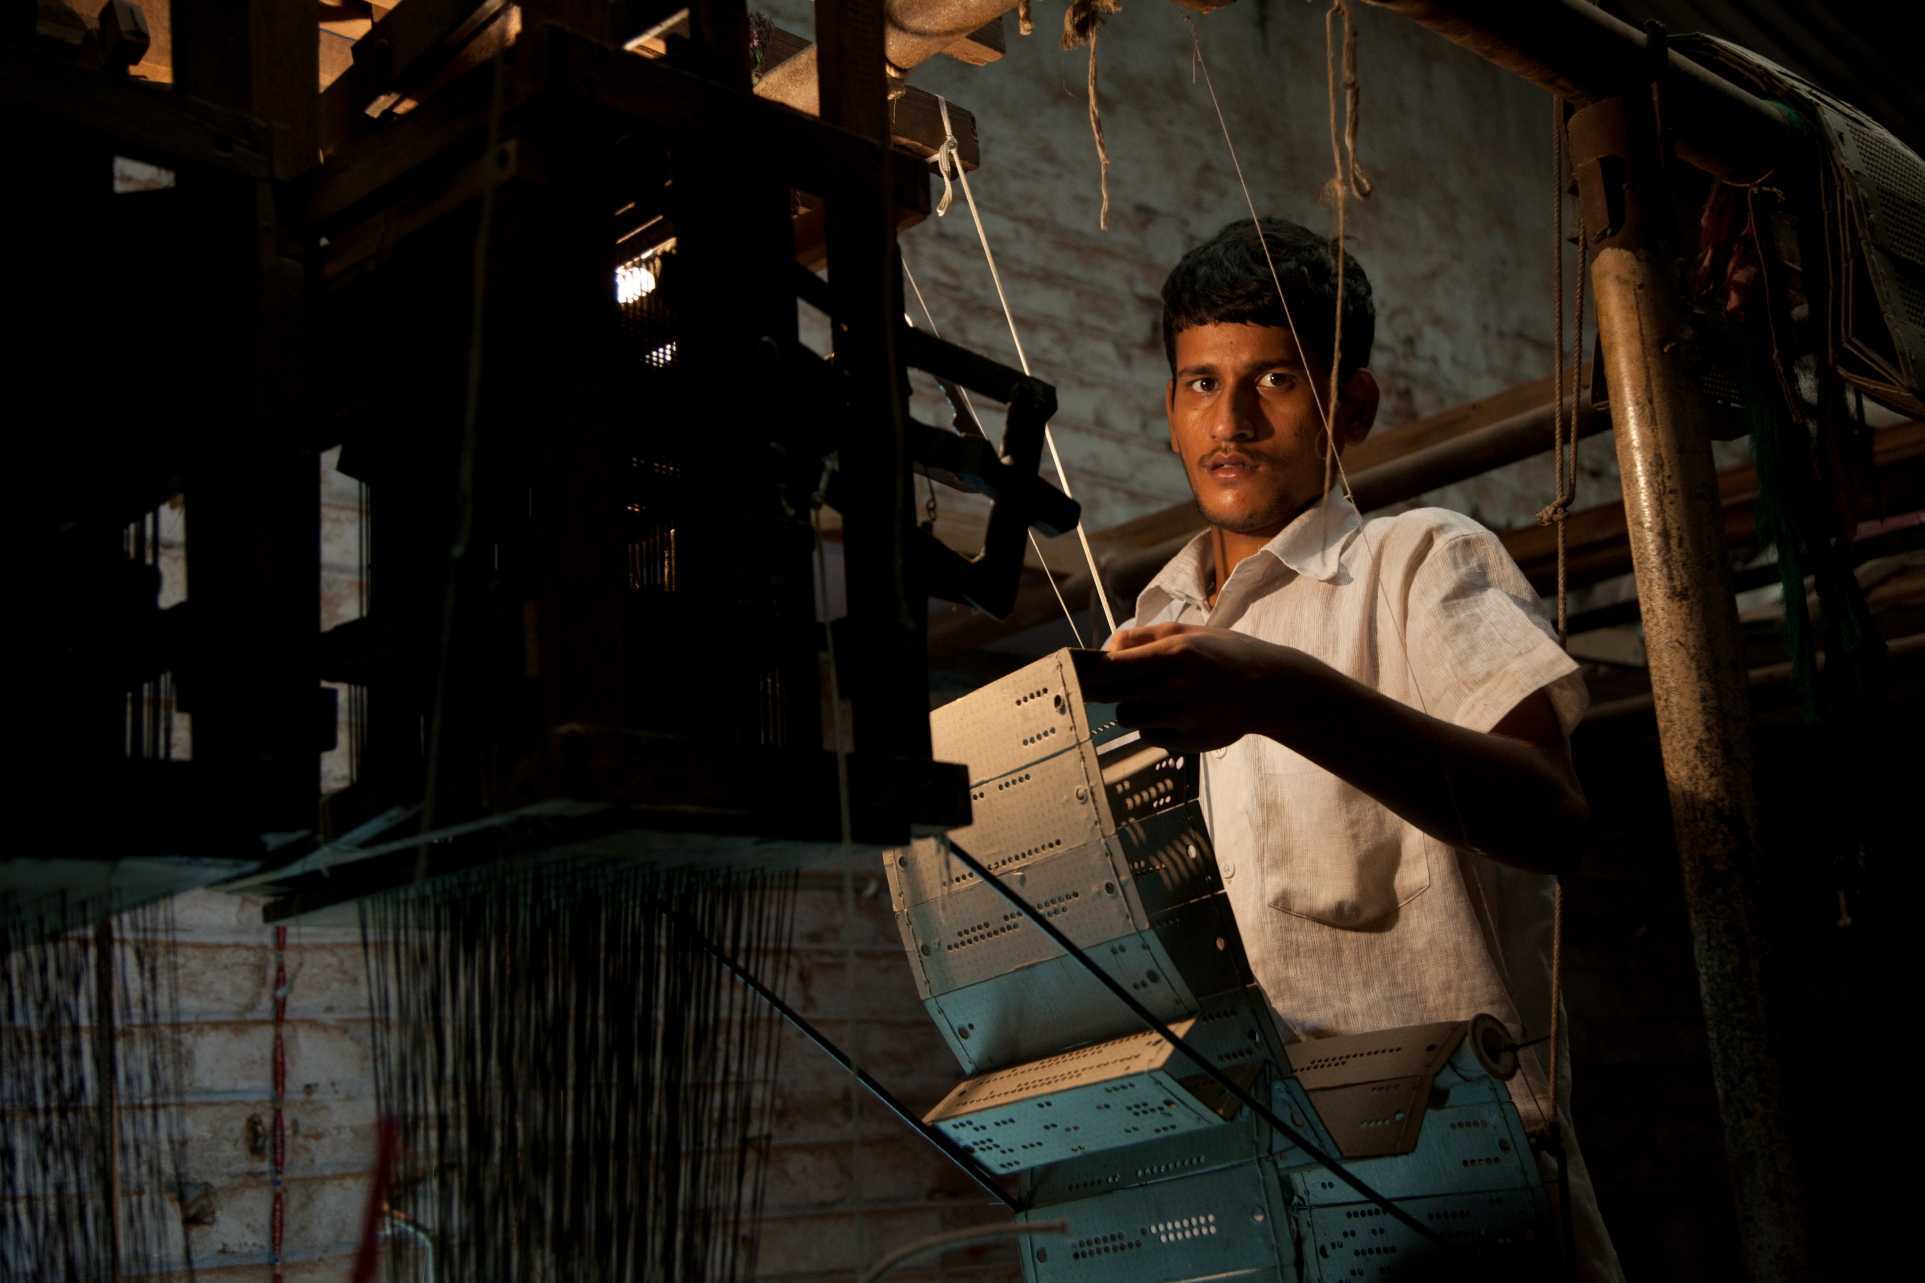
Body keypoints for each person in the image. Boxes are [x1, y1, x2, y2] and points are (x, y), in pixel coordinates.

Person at [1087, 216, 1622, 1280]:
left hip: (1462, 1176)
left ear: (1354, 404)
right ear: (1167, 405)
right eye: (1198, 382)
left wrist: (1283, 693)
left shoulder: (1416, 560)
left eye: (1274, 378)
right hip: (1261, 1182)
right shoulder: (1156, 618)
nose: (1228, 418)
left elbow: (1551, 816)